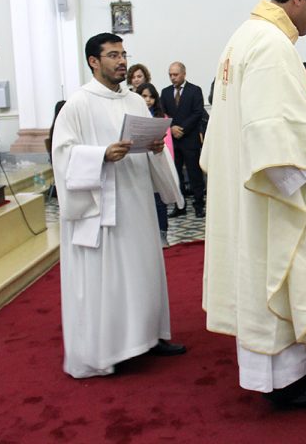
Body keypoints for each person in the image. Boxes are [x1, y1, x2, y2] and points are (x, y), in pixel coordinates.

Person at [200, 0, 306, 409]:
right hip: (272, 192)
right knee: (283, 276)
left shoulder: (244, 36)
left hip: (248, 188)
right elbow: (272, 128)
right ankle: (287, 382)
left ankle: (287, 377)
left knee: (266, 275)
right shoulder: (270, 44)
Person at [52, 33, 186, 379]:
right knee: (112, 280)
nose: (122, 61)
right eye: (113, 55)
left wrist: (156, 148)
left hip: (137, 200)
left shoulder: (134, 101)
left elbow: (146, 140)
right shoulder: (78, 104)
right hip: (103, 209)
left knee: (144, 270)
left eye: (124, 54)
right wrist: (101, 155)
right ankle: (113, 347)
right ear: (94, 62)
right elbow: (62, 154)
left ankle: (150, 336)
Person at [161, 62, 207, 218]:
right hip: (173, 141)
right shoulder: (165, 92)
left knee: (195, 174)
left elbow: (197, 112)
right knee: (176, 174)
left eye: (176, 74)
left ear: (184, 74)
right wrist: (172, 128)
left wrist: (183, 129)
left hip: (190, 139)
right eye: (170, 75)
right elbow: (163, 113)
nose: (173, 78)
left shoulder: (195, 90)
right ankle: (179, 205)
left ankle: (199, 205)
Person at [136, 82, 177, 247]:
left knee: (160, 200)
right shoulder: (134, 117)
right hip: (139, 165)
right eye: (144, 96)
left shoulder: (161, 118)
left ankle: (162, 234)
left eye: (151, 97)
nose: (148, 100)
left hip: (158, 162)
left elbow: (168, 145)